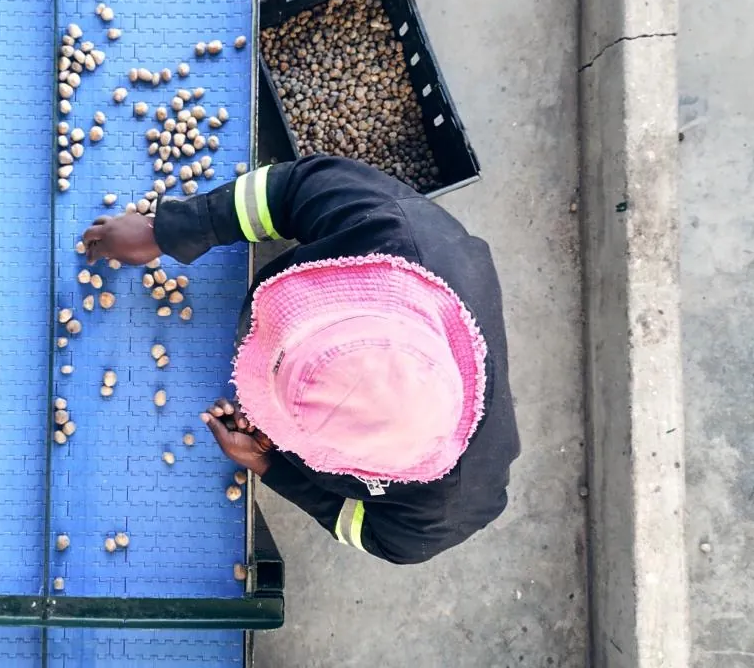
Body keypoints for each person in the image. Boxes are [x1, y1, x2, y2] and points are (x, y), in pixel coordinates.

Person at [81, 155, 519, 565]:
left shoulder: (446, 512)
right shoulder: (398, 231)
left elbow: (375, 534)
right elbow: (287, 189)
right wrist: (171, 230)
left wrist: (270, 466)